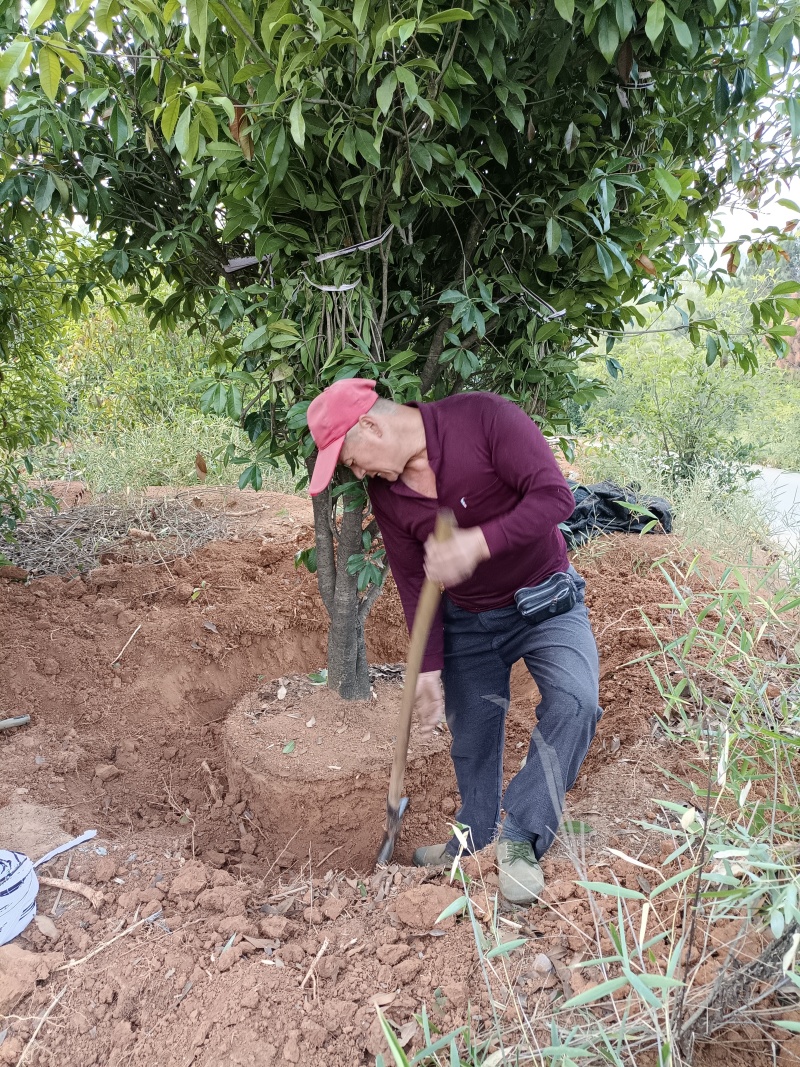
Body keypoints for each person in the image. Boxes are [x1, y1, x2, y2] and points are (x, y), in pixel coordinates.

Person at [307, 378, 602, 904]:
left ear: (370, 425)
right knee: (471, 739)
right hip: (469, 622)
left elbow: (556, 497)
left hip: (544, 600)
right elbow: (413, 582)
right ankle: (471, 842)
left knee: (576, 703)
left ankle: (519, 842)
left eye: (351, 459)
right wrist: (426, 667)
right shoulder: (388, 493)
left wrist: (479, 544)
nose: (358, 474)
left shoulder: (485, 418)